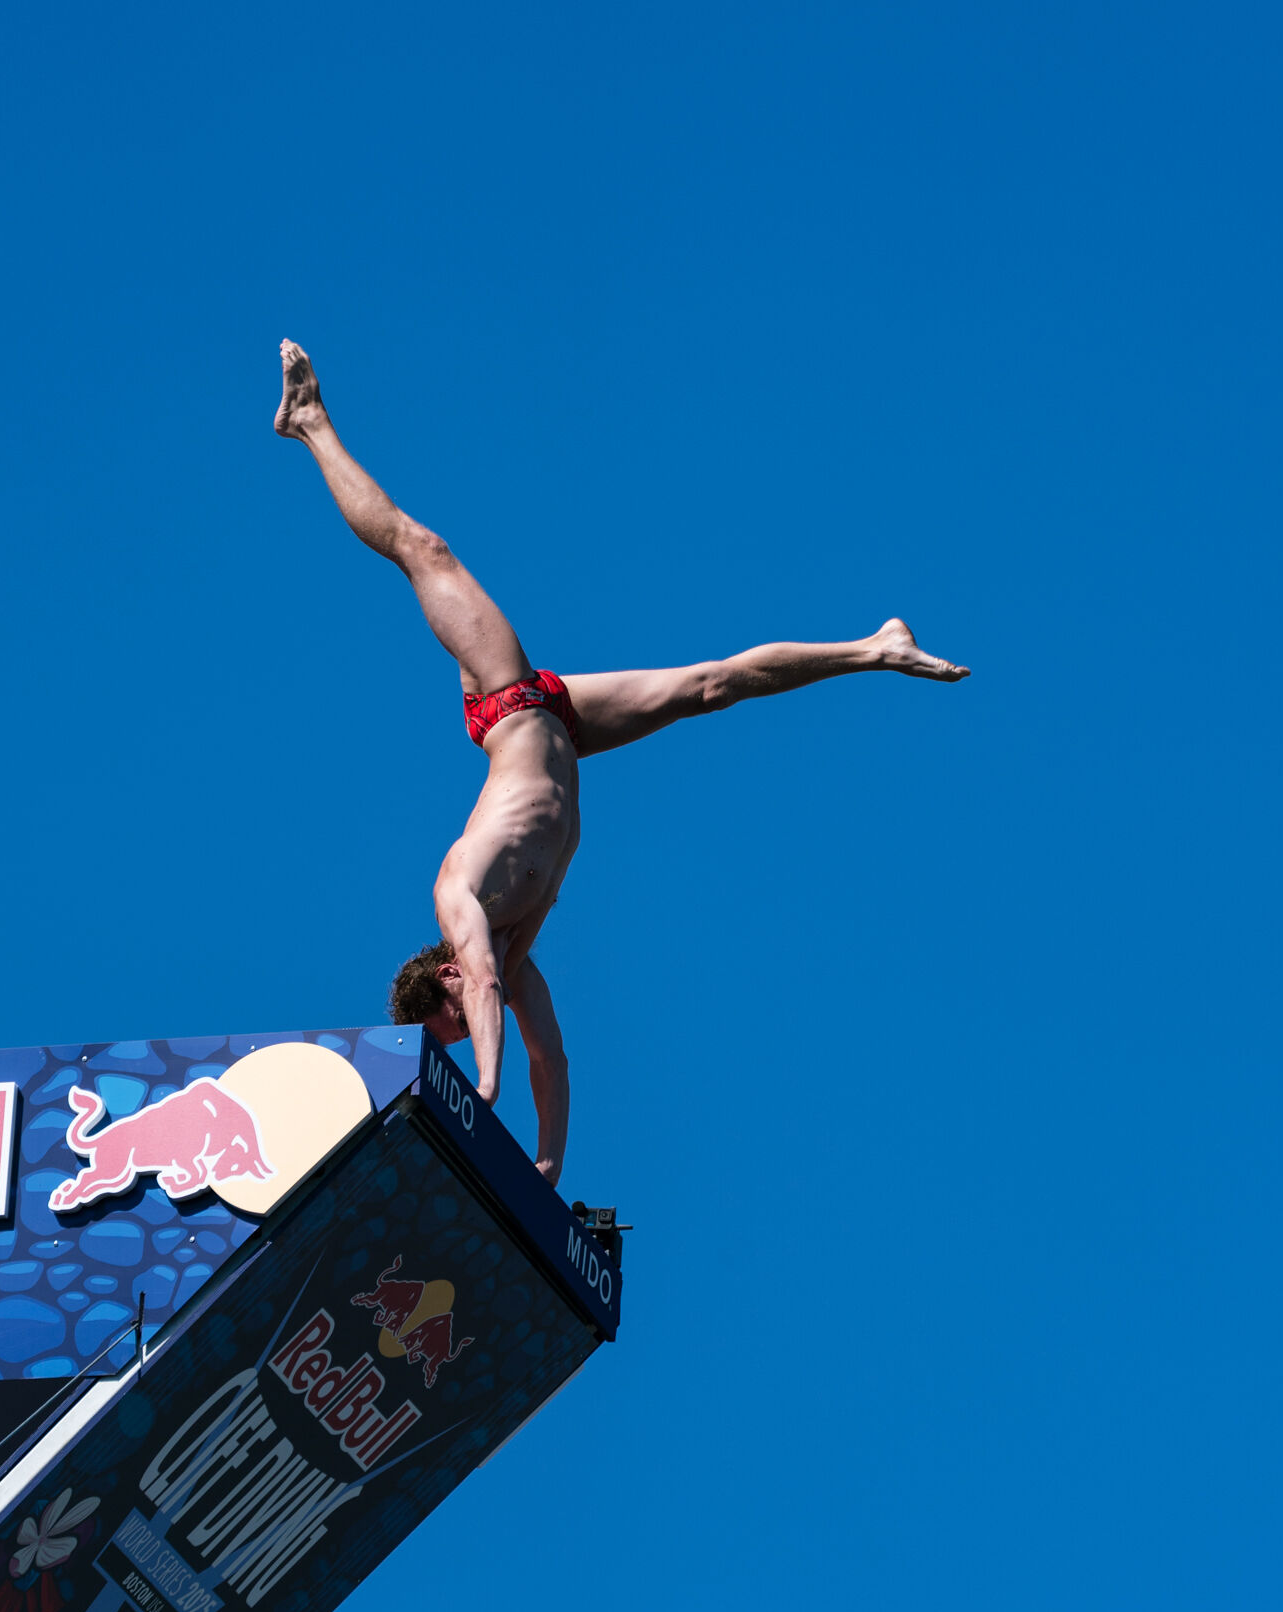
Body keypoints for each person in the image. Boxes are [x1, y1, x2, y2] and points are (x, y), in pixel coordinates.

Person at [274, 340, 967, 1185]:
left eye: (455, 1016)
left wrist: (481, 1090)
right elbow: (553, 1061)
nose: (469, 1019)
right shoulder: (516, 955)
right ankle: (877, 649)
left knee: (426, 551)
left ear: (449, 973)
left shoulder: (462, 905)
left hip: (509, 703)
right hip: (561, 725)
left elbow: (490, 997)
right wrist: (548, 1166)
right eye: (464, 1038)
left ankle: (308, 424)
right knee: (712, 687)